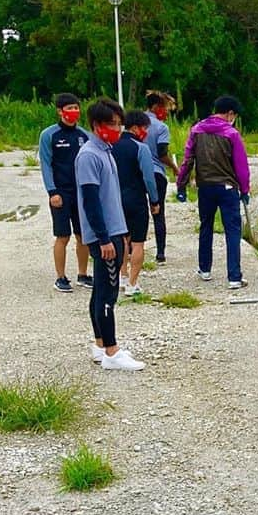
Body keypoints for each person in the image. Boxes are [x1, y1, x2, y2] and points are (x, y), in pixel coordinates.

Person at [75, 100, 144, 371]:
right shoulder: (89, 155)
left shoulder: (107, 151)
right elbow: (91, 201)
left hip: (114, 230)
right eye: (110, 124)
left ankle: (101, 343)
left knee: (102, 289)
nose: (116, 128)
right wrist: (103, 239)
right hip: (103, 235)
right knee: (108, 291)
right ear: (96, 125)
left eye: (119, 123)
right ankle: (112, 351)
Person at [175, 95, 250, 289]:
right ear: (230, 113)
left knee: (206, 226)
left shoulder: (196, 130)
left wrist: (181, 185)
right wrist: (245, 189)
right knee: (233, 231)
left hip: (205, 186)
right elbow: (241, 165)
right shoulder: (232, 134)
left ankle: (205, 269)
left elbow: (187, 160)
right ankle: (234, 276)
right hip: (228, 187)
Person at [38, 92, 92, 293]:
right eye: (69, 108)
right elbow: (46, 165)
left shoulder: (84, 135)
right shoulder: (49, 135)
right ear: (60, 111)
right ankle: (60, 277)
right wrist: (52, 191)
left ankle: (83, 274)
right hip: (60, 192)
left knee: (83, 235)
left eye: (76, 107)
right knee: (63, 236)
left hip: (81, 192)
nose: (74, 112)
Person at [113, 112, 161, 296]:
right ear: (135, 127)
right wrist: (154, 200)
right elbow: (149, 178)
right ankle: (133, 283)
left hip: (116, 200)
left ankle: (122, 276)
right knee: (138, 242)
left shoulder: (111, 146)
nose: (146, 132)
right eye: (145, 128)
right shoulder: (141, 148)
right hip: (136, 200)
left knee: (122, 239)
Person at [144, 91, 179, 263]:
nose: (166, 113)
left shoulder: (135, 122)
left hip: (135, 173)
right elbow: (162, 153)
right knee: (158, 212)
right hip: (156, 173)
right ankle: (160, 253)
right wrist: (174, 167)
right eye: (165, 109)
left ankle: (132, 249)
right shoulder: (161, 127)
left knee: (135, 212)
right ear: (157, 107)